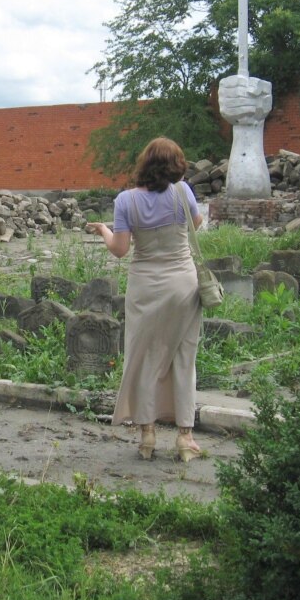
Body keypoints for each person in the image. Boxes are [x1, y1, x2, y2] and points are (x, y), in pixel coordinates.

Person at [88, 137, 204, 462]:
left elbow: (120, 250)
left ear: (144, 164)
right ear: (177, 165)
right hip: (183, 284)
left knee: (143, 358)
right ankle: (185, 438)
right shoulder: (184, 192)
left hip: (145, 288)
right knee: (184, 358)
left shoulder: (125, 201)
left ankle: (147, 436)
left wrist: (104, 232)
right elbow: (196, 224)